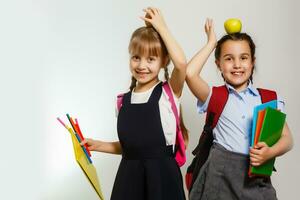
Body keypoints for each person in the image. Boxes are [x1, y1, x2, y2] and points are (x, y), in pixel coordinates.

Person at [81, 7, 187, 200]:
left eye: (151, 59)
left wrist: (161, 27)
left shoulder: (168, 92)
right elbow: (131, 147)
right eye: (136, 57)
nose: (141, 65)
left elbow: (181, 64)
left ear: (164, 61)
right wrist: (98, 145)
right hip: (129, 180)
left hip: (162, 180)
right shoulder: (122, 101)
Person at [186, 19, 293, 200]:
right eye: (228, 59)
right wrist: (211, 43)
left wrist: (270, 152)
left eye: (243, 58)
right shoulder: (215, 96)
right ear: (218, 64)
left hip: (256, 179)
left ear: (252, 62)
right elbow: (190, 74)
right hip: (218, 178)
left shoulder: (268, 99)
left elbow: (287, 139)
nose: (237, 65)